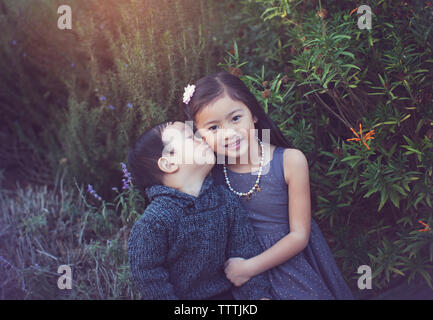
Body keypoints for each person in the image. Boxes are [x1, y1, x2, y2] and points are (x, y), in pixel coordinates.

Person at [185, 71, 354, 300]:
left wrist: (249, 268)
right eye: (213, 128)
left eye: (236, 118)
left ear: (253, 114)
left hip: (289, 265)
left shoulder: (289, 161)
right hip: (238, 271)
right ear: (200, 136)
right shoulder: (210, 174)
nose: (229, 133)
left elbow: (299, 236)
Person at [127, 120, 272, 300]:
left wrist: (259, 296)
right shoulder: (154, 222)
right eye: (190, 137)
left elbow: (245, 251)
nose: (201, 138)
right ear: (169, 164)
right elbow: (149, 278)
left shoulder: (225, 200)